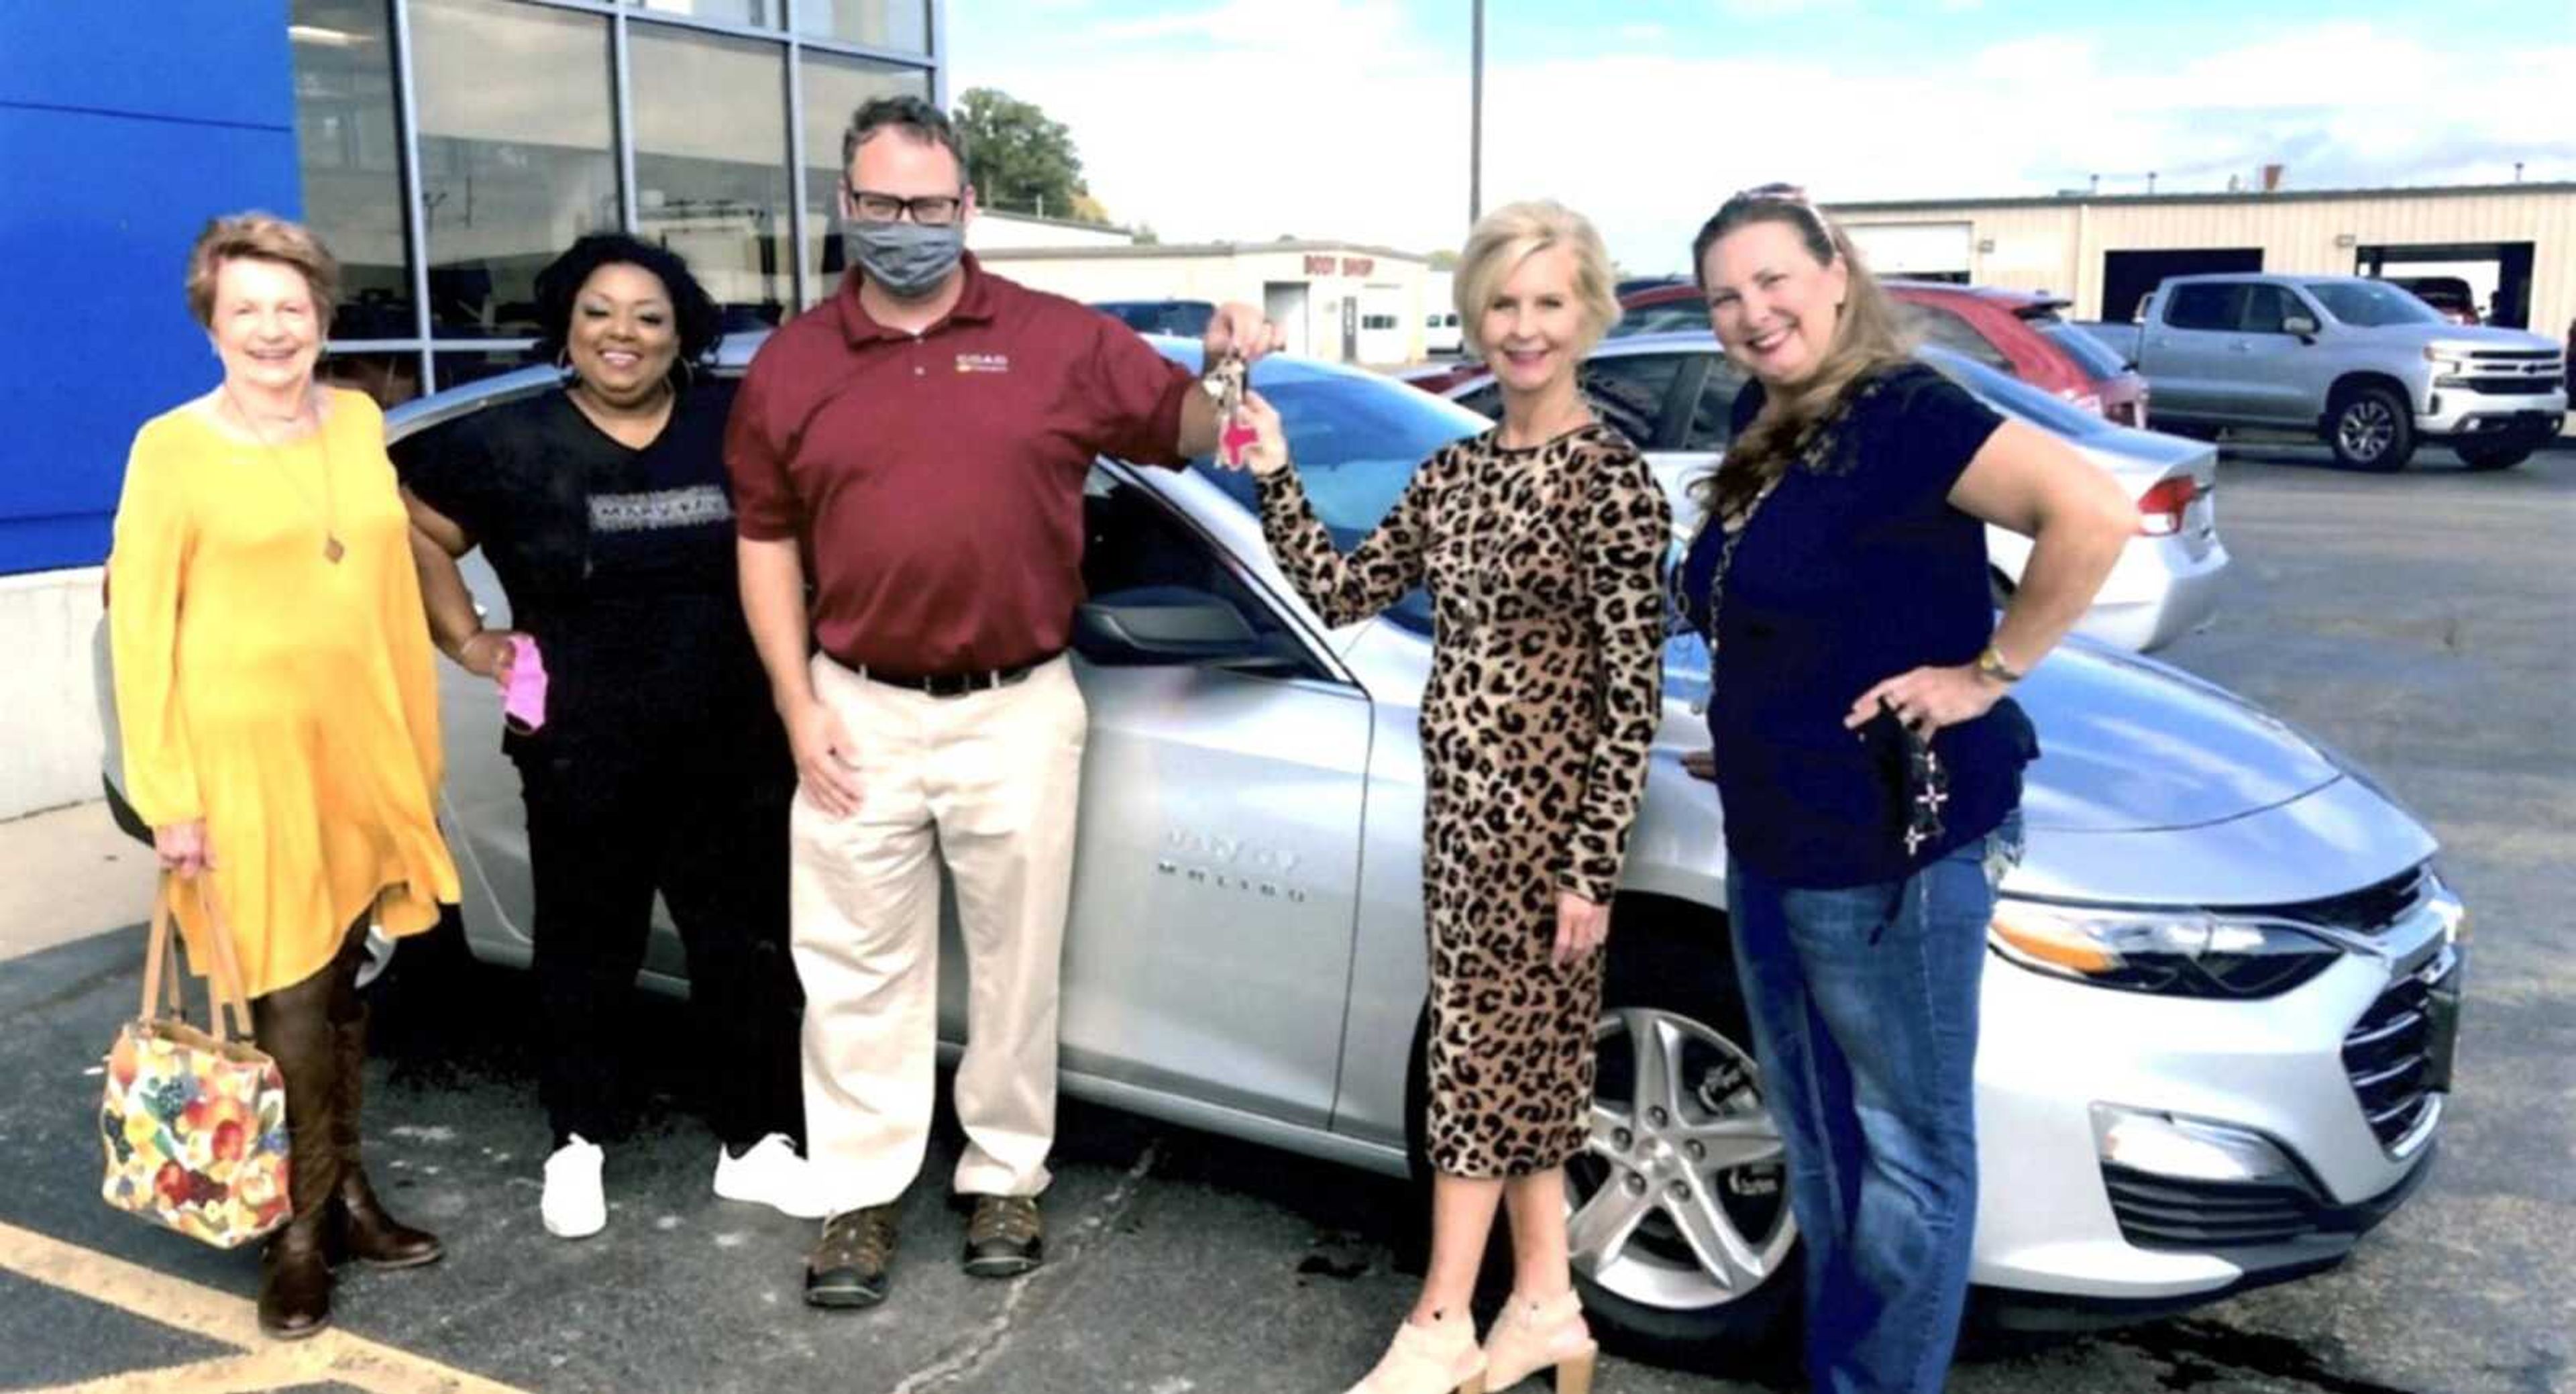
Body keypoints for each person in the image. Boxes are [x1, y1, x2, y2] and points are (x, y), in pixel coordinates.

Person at [724, 94, 1280, 1309]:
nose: (908, 225)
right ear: (846, 206)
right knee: (855, 968)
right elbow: (764, 541)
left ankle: (1005, 1174)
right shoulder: (794, 363)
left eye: (931, 205)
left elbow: (1186, 425)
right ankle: (860, 1194)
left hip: (1017, 706)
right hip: (854, 704)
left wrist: (1230, 363)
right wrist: (793, 703)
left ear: (968, 207)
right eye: (883, 204)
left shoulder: (1056, 339)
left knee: (1018, 964)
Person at [1674, 184, 2137, 1394]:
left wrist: (1989, 672)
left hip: (1894, 850)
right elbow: (1790, 607)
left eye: (1775, 280)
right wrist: (1763, 726)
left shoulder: (1903, 411)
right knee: (1822, 1146)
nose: (1752, 311)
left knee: (1908, 1153)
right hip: (1776, 829)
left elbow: (2091, 511)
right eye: (1727, 295)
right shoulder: (1766, 412)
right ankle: (1846, 1369)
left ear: (1837, 272)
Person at [1232, 200, 1669, 1394]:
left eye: (1548, 303)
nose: (1523, 328)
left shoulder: (1613, 482)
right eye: (1503, 303)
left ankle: (1441, 1324)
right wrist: (1276, 469)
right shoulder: (1459, 470)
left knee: (1477, 1068)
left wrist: (1592, 863)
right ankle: (1545, 1307)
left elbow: (1633, 692)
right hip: (1457, 820)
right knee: (1523, 1072)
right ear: (1476, 317)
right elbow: (1337, 588)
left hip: (1543, 832)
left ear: (1589, 314)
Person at [395, 235, 811, 1239]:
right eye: (599, 313)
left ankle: (755, 1145)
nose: (622, 333)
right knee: (587, 948)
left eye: (649, 316)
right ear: (567, 328)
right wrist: (464, 634)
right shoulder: (507, 439)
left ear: (682, 335)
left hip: (732, 743)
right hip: (580, 744)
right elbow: (401, 520)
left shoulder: (731, 421)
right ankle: (576, 1142)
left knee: (744, 950)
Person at [109, 213, 462, 1338]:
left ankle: (345, 1191)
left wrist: (427, 719)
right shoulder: (171, 445)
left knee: (347, 982)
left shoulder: (358, 421)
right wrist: (170, 795)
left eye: (291, 307)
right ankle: (297, 1227)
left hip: (359, 748)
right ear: (212, 323)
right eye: (245, 308)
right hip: (245, 764)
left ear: (321, 318)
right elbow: (141, 631)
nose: (272, 329)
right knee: (289, 998)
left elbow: (387, 575)